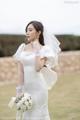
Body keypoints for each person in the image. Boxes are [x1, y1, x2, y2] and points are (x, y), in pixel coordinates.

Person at [13, 20, 61, 120]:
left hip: (39, 89)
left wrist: (37, 51)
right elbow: (21, 71)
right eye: (26, 30)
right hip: (27, 89)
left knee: (39, 115)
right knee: (27, 115)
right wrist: (19, 90)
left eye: (30, 30)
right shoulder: (22, 48)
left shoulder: (45, 49)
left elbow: (38, 68)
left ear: (38, 33)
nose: (27, 33)